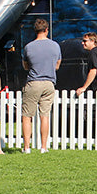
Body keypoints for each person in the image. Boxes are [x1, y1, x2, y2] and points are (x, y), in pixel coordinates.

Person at [21, 18, 61, 153]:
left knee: (27, 116)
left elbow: (25, 66)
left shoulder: (28, 47)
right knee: (45, 115)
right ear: (46, 30)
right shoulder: (55, 46)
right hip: (49, 83)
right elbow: (57, 65)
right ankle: (44, 147)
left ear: (35, 31)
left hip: (33, 82)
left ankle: (27, 147)